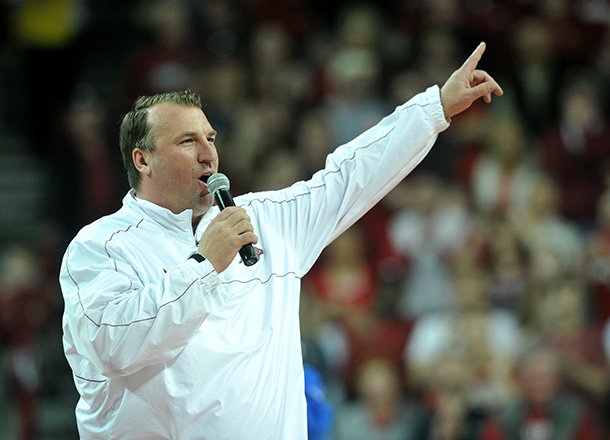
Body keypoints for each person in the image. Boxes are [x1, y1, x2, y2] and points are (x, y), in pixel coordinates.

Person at [59, 42, 503, 439]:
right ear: (143, 159)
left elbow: (348, 177)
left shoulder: (264, 220)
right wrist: (202, 264)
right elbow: (111, 348)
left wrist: (435, 109)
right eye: (187, 141)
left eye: (210, 138)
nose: (208, 152)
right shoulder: (99, 248)